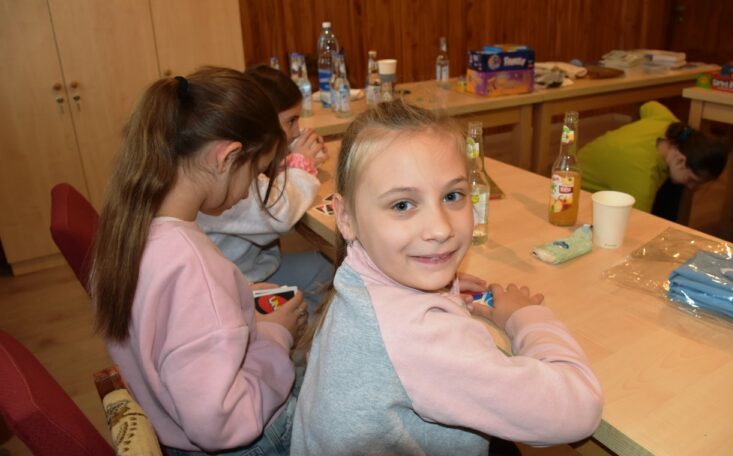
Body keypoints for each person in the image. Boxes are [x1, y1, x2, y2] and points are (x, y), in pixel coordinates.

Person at [291, 101, 604, 455]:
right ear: (346, 217)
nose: (441, 229)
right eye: (402, 205)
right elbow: (580, 408)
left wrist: (442, 289)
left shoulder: (358, 277)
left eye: (453, 196)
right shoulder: (420, 338)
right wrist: (527, 316)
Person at [90, 67, 308, 455]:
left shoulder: (127, 230)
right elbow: (220, 423)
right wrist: (276, 337)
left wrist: (235, 299)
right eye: (255, 173)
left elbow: (173, 332)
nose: (248, 192)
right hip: (252, 442)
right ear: (226, 157)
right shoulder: (190, 266)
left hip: (171, 428)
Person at [197, 64, 333, 313]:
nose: (297, 131)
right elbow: (277, 215)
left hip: (248, 270)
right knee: (328, 273)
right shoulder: (223, 181)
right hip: (234, 288)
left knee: (324, 267)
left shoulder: (223, 160)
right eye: (291, 121)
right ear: (264, 122)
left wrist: (294, 159)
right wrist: (302, 166)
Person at [578, 101, 727, 219]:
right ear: (681, 160)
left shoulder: (670, 124)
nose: (691, 187)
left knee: (674, 181)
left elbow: (649, 106)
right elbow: (638, 224)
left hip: (599, 163)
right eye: (692, 179)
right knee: (673, 187)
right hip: (582, 200)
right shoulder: (641, 176)